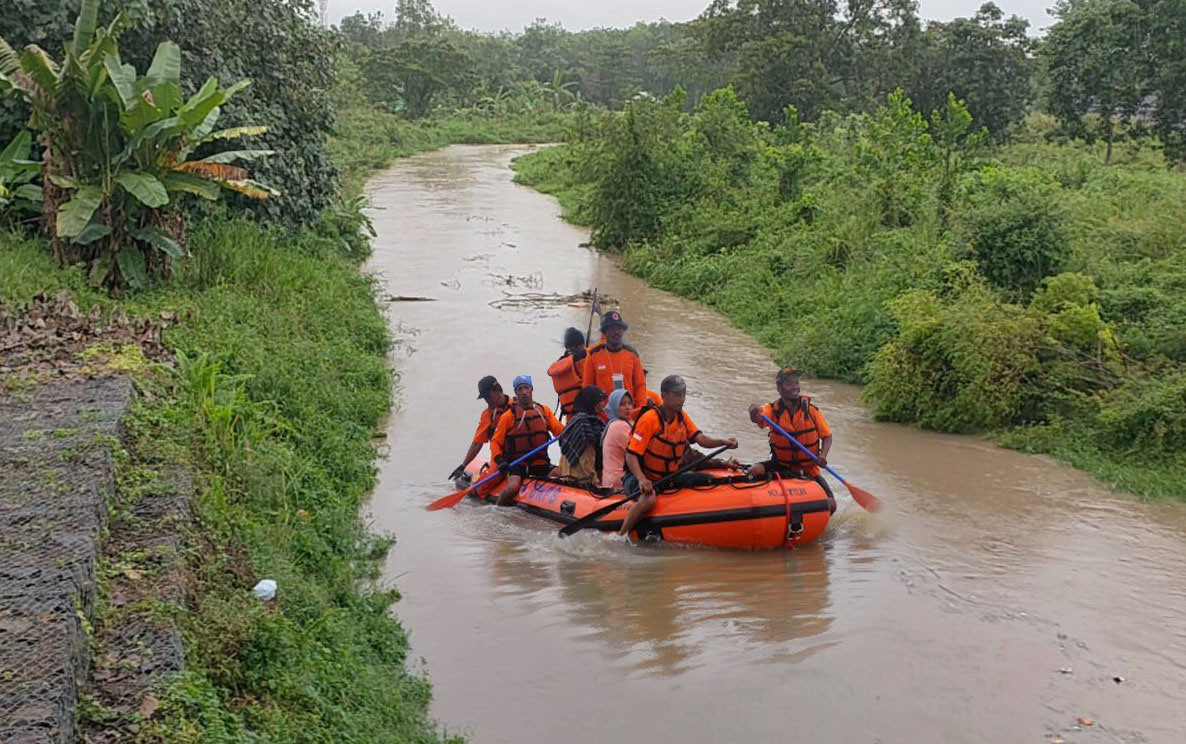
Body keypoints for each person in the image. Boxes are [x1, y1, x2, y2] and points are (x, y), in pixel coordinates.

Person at [619, 375, 738, 537]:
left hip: (667, 477)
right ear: (664, 395)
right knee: (649, 500)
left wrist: (723, 442)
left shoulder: (681, 417)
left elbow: (702, 440)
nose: (682, 399)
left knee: (706, 479)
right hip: (640, 477)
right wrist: (641, 479)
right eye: (677, 395)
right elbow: (631, 455)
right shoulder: (649, 419)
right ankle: (621, 535)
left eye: (683, 394)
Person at [746, 366, 836, 512]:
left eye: (796, 383)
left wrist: (823, 455)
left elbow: (827, 436)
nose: (794, 387)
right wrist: (753, 409)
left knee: (831, 505)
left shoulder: (811, 410)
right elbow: (757, 418)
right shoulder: (772, 410)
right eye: (789, 384)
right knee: (753, 471)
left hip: (808, 469)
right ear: (779, 389)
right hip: (781, 465)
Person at [489, 375, 564, 506]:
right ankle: (497, 509)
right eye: (520, 389)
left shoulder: (543, 411)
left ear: (531, 389)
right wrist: (499, 460)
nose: (524, 392)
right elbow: (495, 442)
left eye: (526, 388)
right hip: (517, 464)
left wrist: (571, 429)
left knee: (563, 474)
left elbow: (559, 430)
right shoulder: (509, 416)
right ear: (516, 393)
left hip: (540, 463)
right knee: (513, 487)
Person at [581, 311, 646, 412]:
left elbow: (640, 386)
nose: (616, 332)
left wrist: (641, 410)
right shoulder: (593, 355)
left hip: (628, 414)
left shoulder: (632, 355)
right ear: (605, 332)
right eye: (612, 329)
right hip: (603, 416)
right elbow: (587, 387)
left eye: (619, 328)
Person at [449, 375, 510, 481]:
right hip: (500, 460)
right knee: (482, 488)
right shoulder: (487, 415)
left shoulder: (518, 406)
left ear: (498, 390)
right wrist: (463, 466)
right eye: (484, 398)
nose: (486, 400)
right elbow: (477, 443)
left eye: (488, 396)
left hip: (521, 456)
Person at [558, 386, 607, 484]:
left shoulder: (586, 421)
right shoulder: (583, 423)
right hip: (579, 478)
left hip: (573, 475)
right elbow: (586, 458)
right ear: (592, 401)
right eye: (600, 400)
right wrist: (595, 481)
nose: (603, 403)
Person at [547, 327, 588, 420]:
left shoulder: (557, 366)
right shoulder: (582, 360)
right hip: (587, 413)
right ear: (580, 345)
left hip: (569, 417)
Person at [600, 389, 634, 491]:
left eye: (629, 403)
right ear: (615, 407)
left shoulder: (613, 423)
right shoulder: (620, 426)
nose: (628, 407)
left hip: (608, 479)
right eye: (622, 404)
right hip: (619, 480)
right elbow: (637, 451)